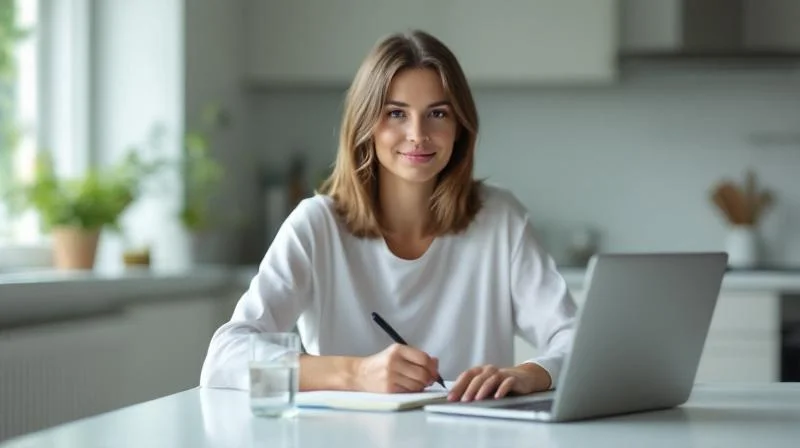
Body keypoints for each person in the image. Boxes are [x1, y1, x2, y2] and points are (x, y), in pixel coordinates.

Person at [199, 30, 577, 402]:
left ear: (460, 127)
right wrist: (356, 373)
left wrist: (531, 374)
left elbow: (575, 338)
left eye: (438, 113)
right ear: (366, 125)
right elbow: (223, 359)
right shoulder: (316, 226)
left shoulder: (500, 219)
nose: (418, 134)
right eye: (396, 113)